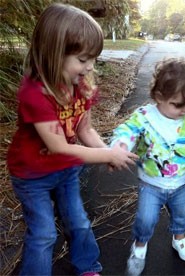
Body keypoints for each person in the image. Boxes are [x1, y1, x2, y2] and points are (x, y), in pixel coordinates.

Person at [6, 3, 138, 276]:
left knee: (78, 221)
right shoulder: (35, 94)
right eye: (82, 59)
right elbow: (59, 146)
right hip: (32, 176)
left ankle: (88, 266)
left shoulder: (82, 86)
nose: (90, 67)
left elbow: (85, 130)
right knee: (43, 234)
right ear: (54, 53)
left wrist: (109, 150)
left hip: (65, 171)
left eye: (94, 59)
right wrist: (107, 156)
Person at [110, 57, 185, 275]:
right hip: (151, 183)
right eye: (178, 104)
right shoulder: (145, 117)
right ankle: (140, 246)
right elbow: (128, 130)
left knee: (181, 214)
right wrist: (120, 146)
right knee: (146, 218)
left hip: (182, 182)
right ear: (159, 96)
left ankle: (179, 238)